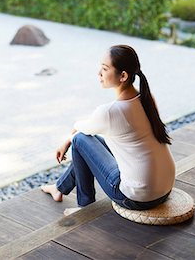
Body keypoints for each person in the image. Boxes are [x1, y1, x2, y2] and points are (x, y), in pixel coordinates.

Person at [41, 44, 175, 216]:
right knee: (86, 142)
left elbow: (80, 132)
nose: (99, 73)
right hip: (164, 188)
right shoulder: (146, 98)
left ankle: (85, 207)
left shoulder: (111, 112)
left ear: (123, 76)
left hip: (136, 197)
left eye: (104, 69)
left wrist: (67, 141)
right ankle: (60, 187)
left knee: (79, 140)